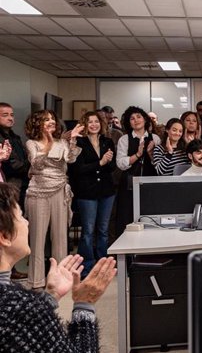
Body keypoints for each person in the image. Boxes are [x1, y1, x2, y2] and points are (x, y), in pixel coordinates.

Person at [0, 182, 117, 353]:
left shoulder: (17, 307)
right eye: (21, 217)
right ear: (5, 236)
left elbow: (17, 338)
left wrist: (50, 297)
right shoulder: (17, 308)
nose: (27, 223)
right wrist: (84, 304)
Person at [24, 110, 83, 289]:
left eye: (52, 119)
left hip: (60, 190)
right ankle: (36, 281)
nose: (51, 121)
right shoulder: (31, 143)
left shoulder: (62, 142)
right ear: (37, 124)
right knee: (37, 238)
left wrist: (72, 140)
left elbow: (71, 159)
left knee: (60, 238)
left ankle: (60, 278)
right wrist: (48, 144)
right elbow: (36, 164)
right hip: (37, 192)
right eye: (46, 119)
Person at [69, 111, 116, 278]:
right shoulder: (78, 143)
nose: (94, 124)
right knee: (88, 231)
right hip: (87, 193)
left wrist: (107, 162)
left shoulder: (107, 141)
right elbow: (77, 170)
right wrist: (100, 163)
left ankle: (103, 265)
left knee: (103, 230)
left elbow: (112, 169)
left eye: (96, 121)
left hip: (106, 192)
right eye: (90, 122)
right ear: (84, 125)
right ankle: (87, 267)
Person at [115, 106, 160, 236]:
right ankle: (127, 253)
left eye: (139, 117)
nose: (136, 120)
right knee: (127, 217)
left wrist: (151, 153)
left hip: (150, 183)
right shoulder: (124, 139)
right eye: (132, 118)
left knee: (150, 217)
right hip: (129, 184)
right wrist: (138, 155)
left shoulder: (155, 138)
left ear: (145, 119)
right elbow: (121, 164)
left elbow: (159, 163)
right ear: (129, 123)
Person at [0, 102, 30, 280]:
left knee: (13, 229)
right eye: (5, 114)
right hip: (8, 187)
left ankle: (10, 268)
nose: (10, 117)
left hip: (19, 186)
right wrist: (30, 166)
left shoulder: (14, 137)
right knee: (6, 229)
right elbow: (13, 166)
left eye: (11, 114)